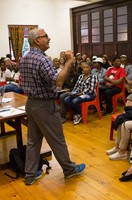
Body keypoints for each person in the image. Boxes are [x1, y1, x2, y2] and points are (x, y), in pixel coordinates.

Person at [19, 28, 85, 185]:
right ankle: (69, 170)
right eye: (46, 36)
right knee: (57, 139)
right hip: (45, 106)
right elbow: (59, 82)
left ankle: (30, 174)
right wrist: (69, 61)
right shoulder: (43, 59)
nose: (49, 38)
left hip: (31, 104)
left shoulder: (25, 58)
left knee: (33, 141)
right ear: (37, 40)